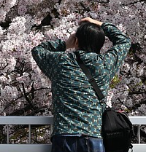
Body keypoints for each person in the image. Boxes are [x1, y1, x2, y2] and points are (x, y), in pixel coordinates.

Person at [32, 17, 131, 152]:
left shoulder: (61, 62)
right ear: (100, 44)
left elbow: (38, 50)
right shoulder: (105, 64)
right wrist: (100, 24)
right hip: (92, 137)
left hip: (64, 136)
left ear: (77, 41)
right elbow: (124, 41)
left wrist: (65, 45)